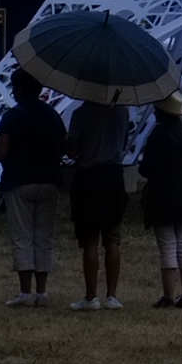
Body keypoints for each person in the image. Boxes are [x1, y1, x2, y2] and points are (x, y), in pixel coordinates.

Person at [0, 72, 70, 307]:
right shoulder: (51, 114)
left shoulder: (11, 117)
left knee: (23, 237)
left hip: (19, 180)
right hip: (49, 179)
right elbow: (64, 146)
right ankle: (42, 291)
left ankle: (25, 292)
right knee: (43, 237)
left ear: (18, 90)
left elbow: (2, 152)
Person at [66, 85, 136, 312]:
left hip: (88, 177)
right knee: (113, 239)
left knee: (89, 240)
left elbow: (72, 151)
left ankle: (90, 296)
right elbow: (124, 143)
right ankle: (112, 295)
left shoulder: (80, 114)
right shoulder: (122, 112)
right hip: (113, 177)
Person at [139, 90, 182, 310]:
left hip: (162, 196)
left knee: (167, 246)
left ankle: (168, 296)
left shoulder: (157, 137)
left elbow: (146, 169)